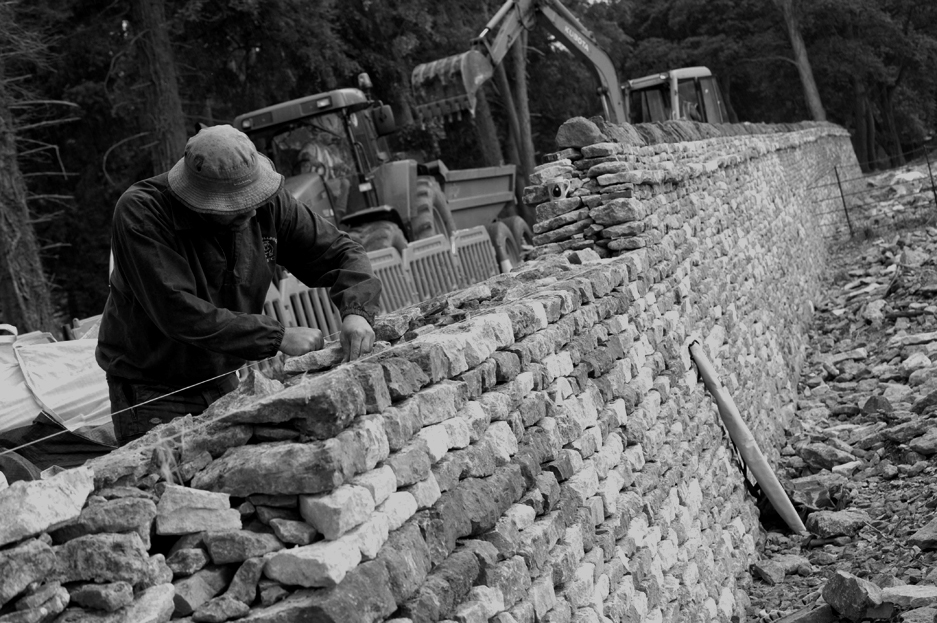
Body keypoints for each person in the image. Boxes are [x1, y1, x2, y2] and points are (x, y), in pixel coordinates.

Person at [96, 124, 382, 446]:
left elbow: (341, 252)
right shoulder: (143, 212)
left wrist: (356, 311)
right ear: (198, 200)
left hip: (220, 376)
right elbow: (178, 311)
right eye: (234, 205)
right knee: (183, 492)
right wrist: (277, 336)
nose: (252, 209)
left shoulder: (267, 204)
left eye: (254, 198)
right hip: (153, 389)